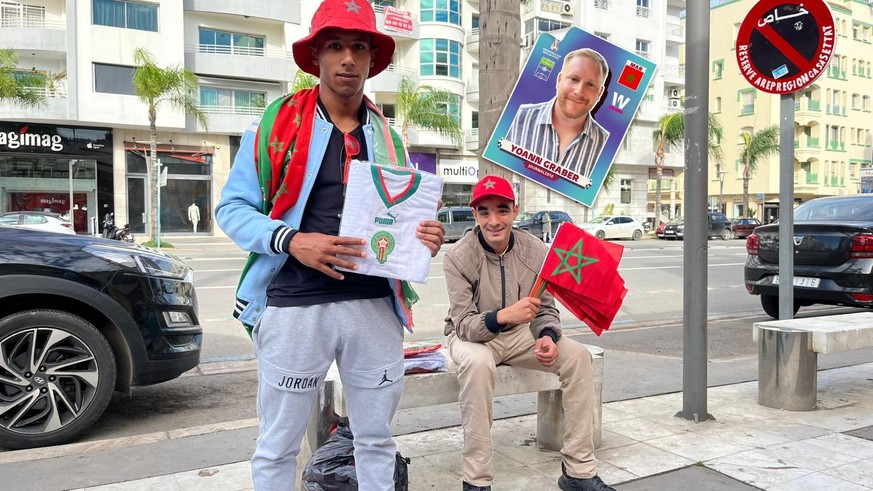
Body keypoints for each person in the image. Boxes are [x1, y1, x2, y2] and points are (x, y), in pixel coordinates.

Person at [215, 1, 445, 489]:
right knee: (278, 445)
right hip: (295, 305)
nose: (347, 59)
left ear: (370, 59)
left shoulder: (391, 140)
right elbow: (231, 212)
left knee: (377, 440)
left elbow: (402, 224)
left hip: (373, 307)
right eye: (335, 46)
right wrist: (291, 239)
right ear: (316, 56)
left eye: (359, 47)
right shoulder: (272, 128)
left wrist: (425, 238)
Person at [443, 175, 615, 491]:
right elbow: (463, 323)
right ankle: (477, 481)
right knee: (479, 364)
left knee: (578, 356)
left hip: (521, 334)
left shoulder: (534, 249)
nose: (494, 221)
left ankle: (578, 472)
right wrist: (503, 316)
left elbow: (546, 309)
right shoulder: (458, 256)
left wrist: (547, 336)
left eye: (502, 210)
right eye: (484, 212)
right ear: (475, 215)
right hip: (472, 339)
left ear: (515, 211)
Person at [504, 48, 610, 181]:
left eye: (590, 84)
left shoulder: (606, 145)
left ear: (599, 93)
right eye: (574, 79)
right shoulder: (517, 117)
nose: (579, 91)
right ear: (559, 80)